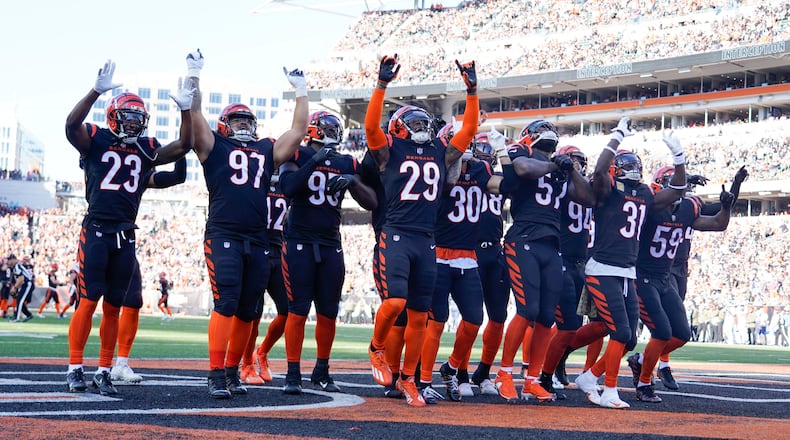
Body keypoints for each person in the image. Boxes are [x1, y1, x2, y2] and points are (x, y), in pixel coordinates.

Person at [64, 59, 194, 395]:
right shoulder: (96, 138)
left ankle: (104, 370)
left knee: (113, 307)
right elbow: (70, 125)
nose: (135, 124)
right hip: (95, 229)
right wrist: (95, 92)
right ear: (114, 117)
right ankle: (75, 367)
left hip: (124, 233)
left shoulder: (145, 148)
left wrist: (186, 112)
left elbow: (182, 146)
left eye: (139, 118)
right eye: (129, 117)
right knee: (88, 301)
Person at [185, 49, 309, 399]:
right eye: (237, 121)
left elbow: (299, 130)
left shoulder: (265, 149)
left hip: (256, 240)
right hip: (224, 233)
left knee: (248, 309)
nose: (243, 125)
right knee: (226, 302)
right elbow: (195, 114)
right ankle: (213, 374)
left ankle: (231, 371)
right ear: (225, 125)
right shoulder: (214, 145)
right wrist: (194, 74)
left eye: (247, 121)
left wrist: (302, 91)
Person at [364, 54, 479, 407]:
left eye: (422, 121)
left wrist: (472, 91)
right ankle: (377, 347)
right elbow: (370, 129)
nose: (420, 126)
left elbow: (469, 131)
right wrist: (381, 86)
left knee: (420, 317)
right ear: (398, 128)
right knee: (395, 302)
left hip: (426, 239)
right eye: (411, 121)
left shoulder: (439, 150)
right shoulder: (389, 149)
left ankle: (409, 379)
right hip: (397, 232)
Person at [573, 118, 688, 409]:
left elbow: (677, 190)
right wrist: (617, 136)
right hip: (603, 268)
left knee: (630, 337)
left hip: (627, 271)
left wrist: (679, 159)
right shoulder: (606, 191)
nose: (632, 168)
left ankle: (590, 378)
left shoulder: (645, 194)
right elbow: (599, 169)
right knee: (621, 332)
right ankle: (609, 390)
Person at [492, 119, 593, 403]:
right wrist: (554, 166)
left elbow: (587, 198)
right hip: (523, 238)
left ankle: (533, 379)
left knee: (547, 317)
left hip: (551, 245)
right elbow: (523, 169)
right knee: (527, 310)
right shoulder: (520, 154)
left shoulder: (560, 169)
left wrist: (571, 170)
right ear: (528, 137)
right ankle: (504, 374)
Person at [277, 110, 377, 395]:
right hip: (299, 241)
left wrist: (355, 182)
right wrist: (314, 162)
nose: (333, 132)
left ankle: (321, 369)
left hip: (331, 242)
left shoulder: (347, 161)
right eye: (327, 127)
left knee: (329, 313)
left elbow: (371, 203)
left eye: (336, 127)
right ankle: (293, 371)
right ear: (312, 130)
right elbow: (288, 188)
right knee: (297, 310)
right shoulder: (297, 154)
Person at [626, 166, 739, 401]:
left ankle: (641, 360)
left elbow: (718, 223)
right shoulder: (648, 210)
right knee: (662, 331)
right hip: (643, 276)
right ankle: (645, 383)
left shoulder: (688, 208)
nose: (679, 188)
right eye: (672, 183)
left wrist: (727, 205)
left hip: (665, 278)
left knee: (681, 334)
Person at [419, 128, 513, 402]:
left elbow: (509, 186)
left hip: (467, 257)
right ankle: (424, 380)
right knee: (436, 322)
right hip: (439, 254)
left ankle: (451, 367)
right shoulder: (436, 168)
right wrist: (455, 160)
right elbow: (447, 184)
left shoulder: (482, 170)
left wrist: (503, 153)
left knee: (473, 320)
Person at [656, 166, 747, 389]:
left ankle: (656, 363)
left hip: (679, 267)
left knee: (674, 325)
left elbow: (720, 211)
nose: (685, 186)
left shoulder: (689, 207)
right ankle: (653, 365)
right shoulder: (655, 205)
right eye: (679, 181)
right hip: (655, 268)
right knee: (661, 324)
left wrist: (735, 185)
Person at [111, 158, 189, 384]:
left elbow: (176, 177)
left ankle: (121, 364)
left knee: (133, 301)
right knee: (90, 302)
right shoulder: (102, 154)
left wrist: (182, 149)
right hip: (97, 233)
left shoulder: (138, 173)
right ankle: (80, 366)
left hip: (125, 238)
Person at [537, 145, 592, 400]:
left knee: (574, 326)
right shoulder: (557, 184)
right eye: (573, 160)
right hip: (560, 259)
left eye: (581, 161)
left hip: (582, 262)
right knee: (564, 324)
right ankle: (542, 374)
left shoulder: (587, 187)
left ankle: (554, 365)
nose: (577, 165)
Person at [240, 173, 289, 386]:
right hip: (257, 250)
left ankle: (262, 352)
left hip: (278, 252)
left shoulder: (288, 183)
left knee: (289, 311)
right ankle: (246, 364)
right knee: (254, 313)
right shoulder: (252, 181)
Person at [8, 254, 35, 322]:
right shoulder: (16, 266)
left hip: (27, 284)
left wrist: (15, 288)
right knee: (19, 300)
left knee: (20, 300)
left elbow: (21, 279)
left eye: (9, 259)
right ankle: (28, 314)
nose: (8, 261)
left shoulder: (17, 266)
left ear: (14, 259)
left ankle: (17, 318)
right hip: (24, 284)